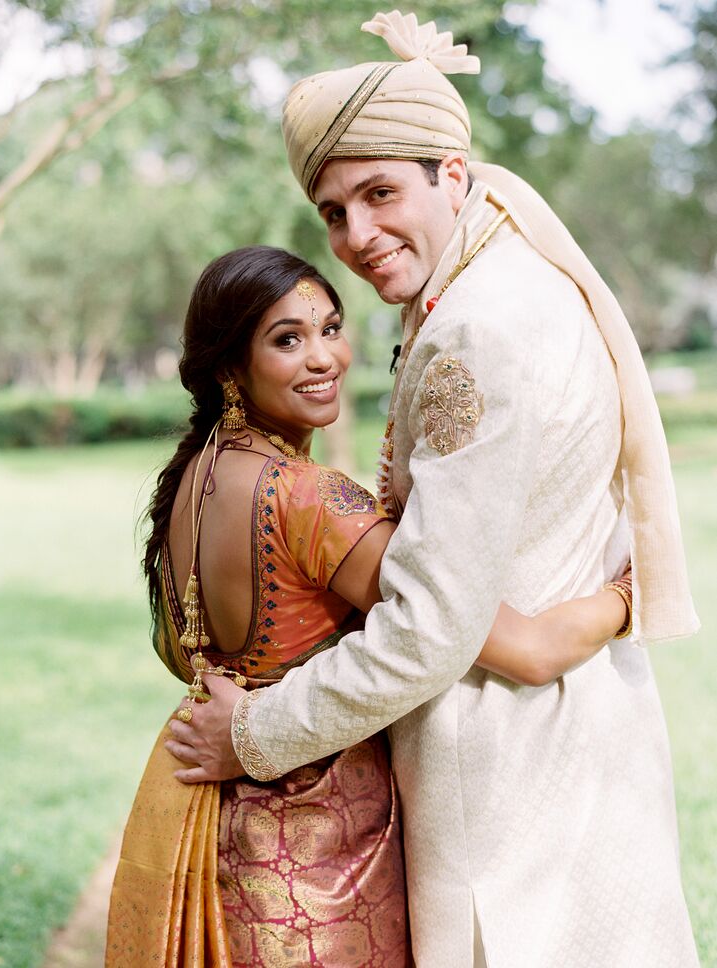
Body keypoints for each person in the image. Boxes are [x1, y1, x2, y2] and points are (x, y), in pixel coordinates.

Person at [170, 10, 701, 968]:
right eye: (333, 212)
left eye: (378, 194)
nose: (357, 235)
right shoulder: (501, 280)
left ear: (449, 175)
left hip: (502, 775)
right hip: (575, 741)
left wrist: (252, 734)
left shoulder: (475, 329)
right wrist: (597, 614)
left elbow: (426, 627)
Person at [106, 245, 632, 967]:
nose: (324, 357)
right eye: (286, 339)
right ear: (230, 365)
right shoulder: (311, 499)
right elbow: (526, 651)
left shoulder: (193, 476)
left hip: (217, 821)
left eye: (329, 327)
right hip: (316, 843)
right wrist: (625, 597)